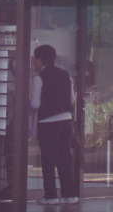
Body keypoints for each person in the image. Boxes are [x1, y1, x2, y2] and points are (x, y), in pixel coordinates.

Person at [31, 44, 78, 205]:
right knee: (65, 158)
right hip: (66, 121)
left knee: (48, 160)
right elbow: (72, 99)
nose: (34, 62)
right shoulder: (65, 75)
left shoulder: (39, 78)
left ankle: (50, 195)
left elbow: (36, 103)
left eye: (35, 58)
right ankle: (69, 194)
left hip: (48, 122)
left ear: (40, 59)